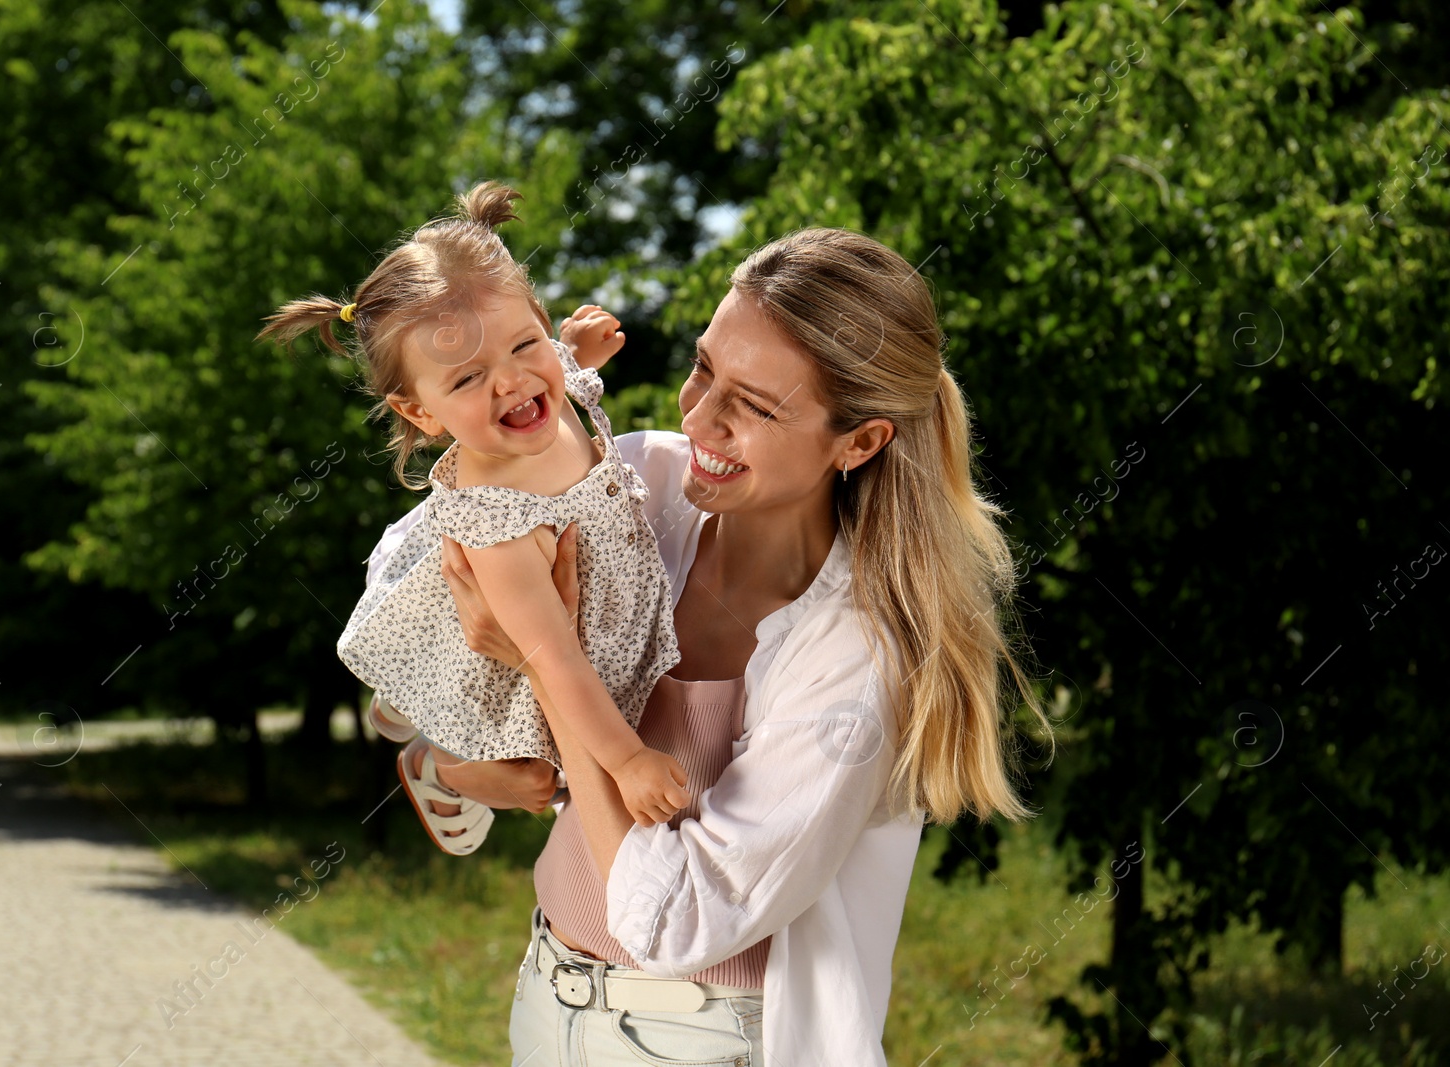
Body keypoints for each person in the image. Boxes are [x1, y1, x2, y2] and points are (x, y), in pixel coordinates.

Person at [372, 227, 1052, 1065]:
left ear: (861, 442)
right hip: (549, 992)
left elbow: (674, 916)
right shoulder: (645, 486)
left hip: (705, 1038)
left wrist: (542, 659)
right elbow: (425, 554)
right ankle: (443, 773)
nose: (698, 417)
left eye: (755, 406)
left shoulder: (857, 660)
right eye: (703, 368)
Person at [257, 182, 692, 850]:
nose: (510, 381)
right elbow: (553, 657)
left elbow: (550, 368)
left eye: (524, 344)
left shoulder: (544, 387)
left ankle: (406, 700)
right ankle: (439, 767)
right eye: (465, 379)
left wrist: (573, 349)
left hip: (545, 613)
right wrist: (628, 757)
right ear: (420, 413)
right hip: (520, 621)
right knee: (538, 774)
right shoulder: (500, 526)